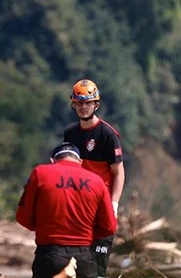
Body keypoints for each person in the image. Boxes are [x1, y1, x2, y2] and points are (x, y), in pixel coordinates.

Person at [16, 142, 117, 278]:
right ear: (80, 161)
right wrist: (88, 236)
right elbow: (110, 226)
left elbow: (23, 217)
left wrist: (44, 228)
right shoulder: (97, 181)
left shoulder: (40, 173)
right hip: (84, 256)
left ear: (53, 161)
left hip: (50, 254)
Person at [63, 79, 124, 277]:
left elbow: (118, 172)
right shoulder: (70, 134)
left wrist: (113, 204)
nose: (83, 107)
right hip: (77, 209)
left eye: (87, 102)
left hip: (101, 208)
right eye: (79, 103)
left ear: (96, 104)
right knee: (76, 266)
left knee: (97, 268)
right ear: (74, 104)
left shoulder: (108, 134)